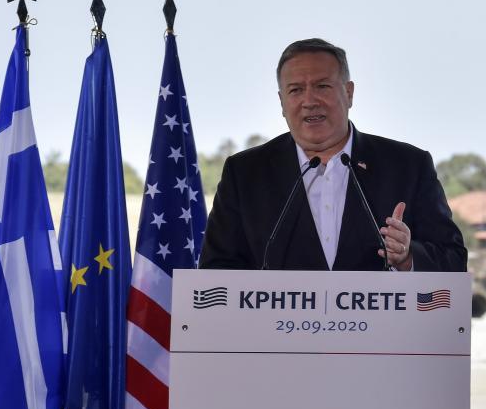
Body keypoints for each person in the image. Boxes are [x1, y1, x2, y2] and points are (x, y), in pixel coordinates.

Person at [199, 38, 467, 273]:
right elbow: (216, 269)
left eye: (322, 86)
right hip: (277, 331)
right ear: (282, 102)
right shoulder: (245, 173)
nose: (309, 100)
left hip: (379, 331)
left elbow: (453, 261)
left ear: (348, 93)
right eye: (295, 90)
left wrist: (407, 258)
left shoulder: (408, 166)